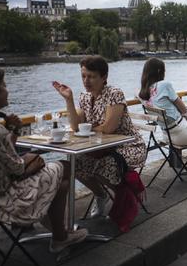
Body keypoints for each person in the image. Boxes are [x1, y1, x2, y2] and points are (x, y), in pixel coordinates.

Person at [0, 67, 87, 253]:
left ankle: (57, 229)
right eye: (4, 85)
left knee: (51, 174)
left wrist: (13, 131)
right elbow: (18, 169)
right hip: (2, 200)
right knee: (64, 167)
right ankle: (60, 236)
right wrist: (32, 160)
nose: (7, 90)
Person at [53, 56, 146, 218]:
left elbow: (109, 128)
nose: (86, 81)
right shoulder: (84, 97)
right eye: (83, 76)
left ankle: (125, 197)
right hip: (101, 147)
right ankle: (101, 195)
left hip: (128, 146)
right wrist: (69, 100)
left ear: (104, 78)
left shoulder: (114, 94)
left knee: (105, 165)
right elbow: (76, 126)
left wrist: (87, 129)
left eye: (91, 76)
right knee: (75, 164)